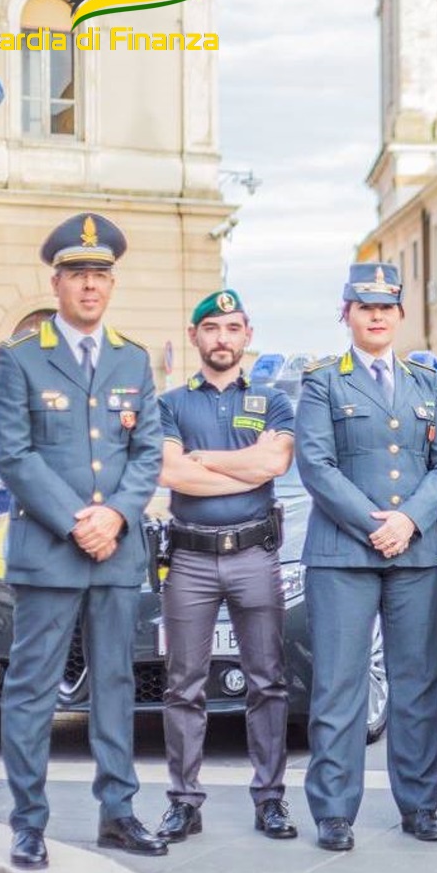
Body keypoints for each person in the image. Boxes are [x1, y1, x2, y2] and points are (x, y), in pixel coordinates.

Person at [0, 212, 166, 869]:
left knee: (118, 684)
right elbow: (15, 455)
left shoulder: (132, 358)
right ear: (57, 282)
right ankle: (28, 822)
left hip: (115, 552)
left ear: (111, 285)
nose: (89, 287)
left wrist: (116, 517)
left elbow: (146, 452)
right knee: (33, 687)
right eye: (77, 275)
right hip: (50, 550)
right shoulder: (22, 358)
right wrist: (77, 521)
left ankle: (118, 813)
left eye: (100, 275)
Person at [295, 264, 437, 851]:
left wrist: (409, 520)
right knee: (340, 686)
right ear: (346, 313)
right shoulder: (323, 381)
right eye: (364, 307)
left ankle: (419, 806)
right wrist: (377, 525)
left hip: (415, 553)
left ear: (399, 315)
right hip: (344, 553)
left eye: (385, 308)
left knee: (417, 685)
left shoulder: (425, 383)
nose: (375, 316)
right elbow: (316, 465)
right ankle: (335, 812)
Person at [153, 290, 298, 843]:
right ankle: (184, 802)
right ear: (195, 337)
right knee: (183, 685)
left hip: (255, 555)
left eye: (232, 327)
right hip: (188, 558)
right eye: (211, 327)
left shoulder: (274, 401)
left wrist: (206, 458)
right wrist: (243, 468)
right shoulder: (171, 404)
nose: (221, 337)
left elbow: (274, 462)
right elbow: (171, 474)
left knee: (268, 681)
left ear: (247, 335)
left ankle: (271, 800)